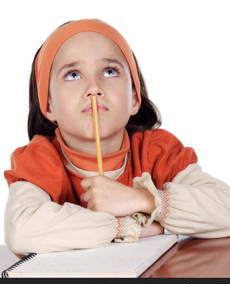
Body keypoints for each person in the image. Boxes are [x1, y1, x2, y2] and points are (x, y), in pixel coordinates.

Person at [4, 19, 230, 256]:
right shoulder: (40, 159)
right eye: (72, 75)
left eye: (110, 71)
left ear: (134, 98)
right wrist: (126, 226)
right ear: (48, 105)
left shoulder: (157, 152)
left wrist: (144, 200)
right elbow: (21, 232)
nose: (93, 87)